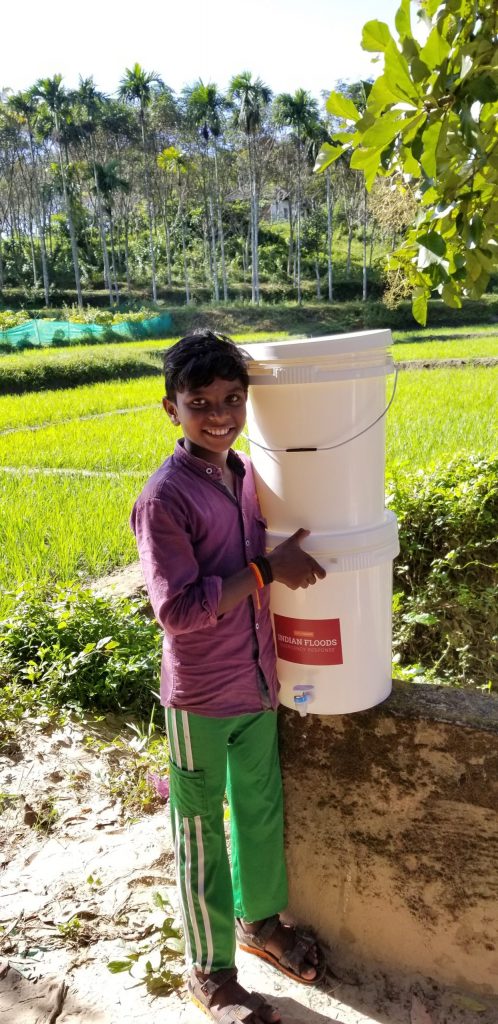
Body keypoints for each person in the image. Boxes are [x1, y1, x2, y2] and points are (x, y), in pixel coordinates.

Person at [131, 331, 326, 1024]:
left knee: (259, 812)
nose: (219, 414)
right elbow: (178, 610)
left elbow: (247, 555)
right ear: (170, 409)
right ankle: (210, 972)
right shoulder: (165, 499)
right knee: (200, 831)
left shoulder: (242, 474)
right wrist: (268, 572)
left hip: (256, 684)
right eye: (200, 402)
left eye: (232, 400)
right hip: (202, 698)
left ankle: (260, 923)